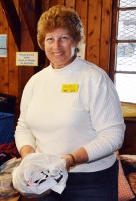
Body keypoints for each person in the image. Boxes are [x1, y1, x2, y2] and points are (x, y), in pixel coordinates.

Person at [15, 5, 125, 201]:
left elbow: (113, 135)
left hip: (90, 181)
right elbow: (23, 127)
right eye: (50, 39)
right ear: (43, 42)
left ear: (76, 41)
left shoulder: (95, 79)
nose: (56, 46)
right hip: (44, 178)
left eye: (64, 38)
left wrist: (71, 159)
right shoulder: (35, 82)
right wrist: (29, 158)